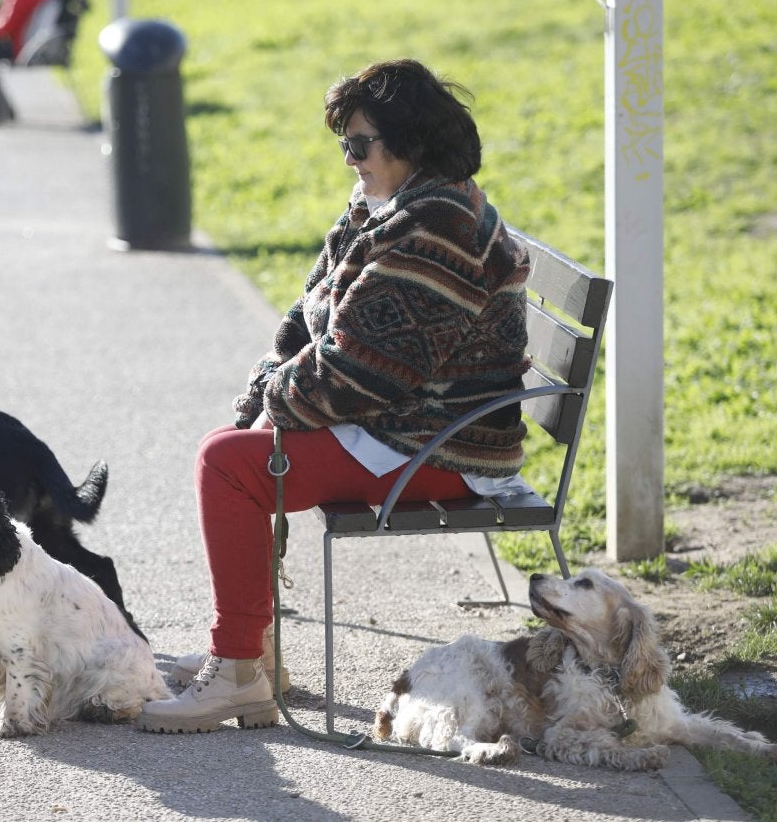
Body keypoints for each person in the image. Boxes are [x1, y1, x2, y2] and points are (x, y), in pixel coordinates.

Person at [136, 59, 534, 735]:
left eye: (360, 144)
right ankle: (254, 656)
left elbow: (360, 376)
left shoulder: (435, 229)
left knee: (227, 465)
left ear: (410, 141)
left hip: (437, 443)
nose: (349, 159)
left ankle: (239, 671)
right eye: (344, 144)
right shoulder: (389, 207)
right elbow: (308, 310)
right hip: (401, 424)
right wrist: (264, 392)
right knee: (229, 450)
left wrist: (272, 406)